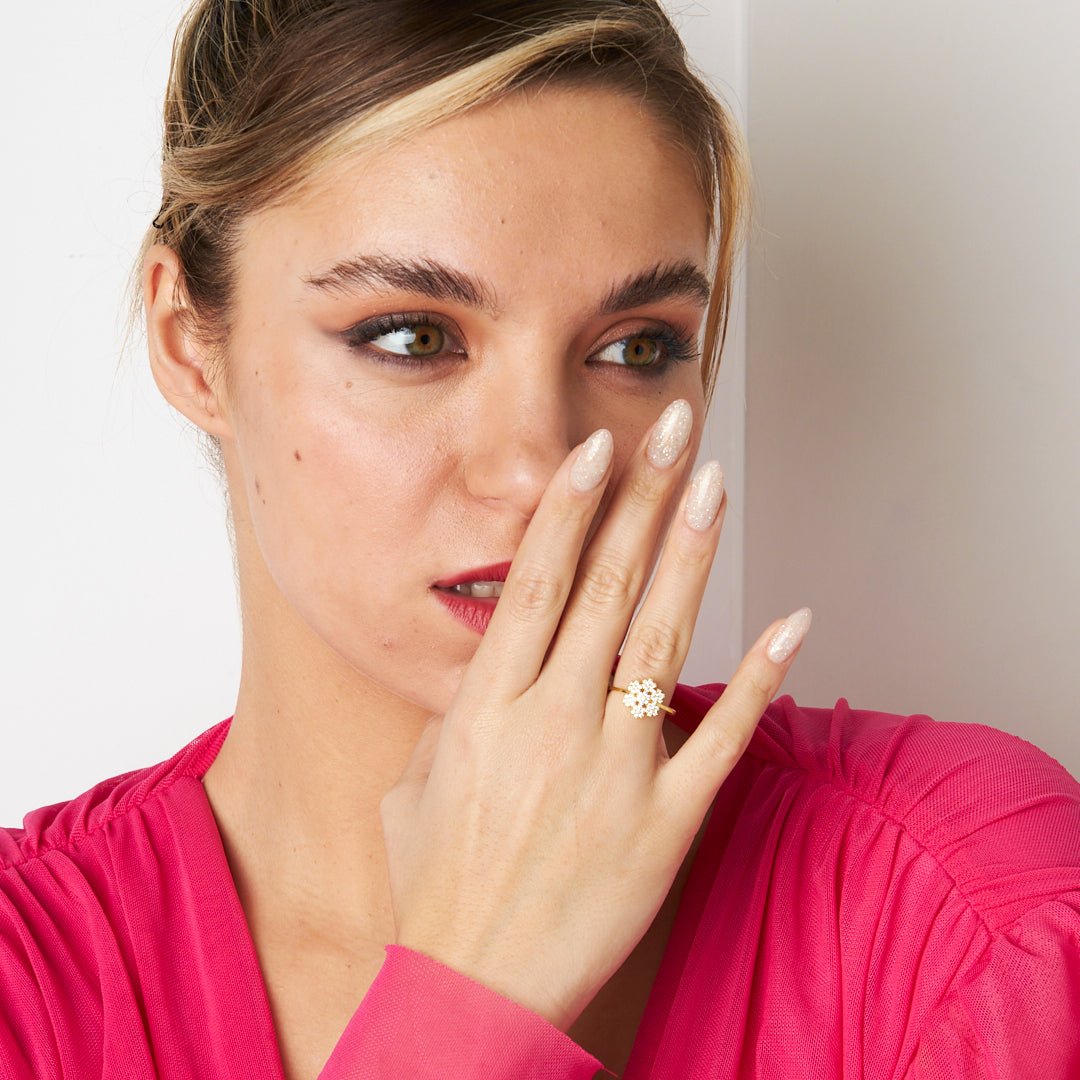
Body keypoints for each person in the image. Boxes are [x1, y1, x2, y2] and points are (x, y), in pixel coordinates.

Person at [2, 1, 1078, 1077]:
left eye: (636, 347)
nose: (540, 468)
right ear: (189, 344)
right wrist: (465, 1004)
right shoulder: (28, 987)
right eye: (413, 336)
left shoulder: (975, 927)